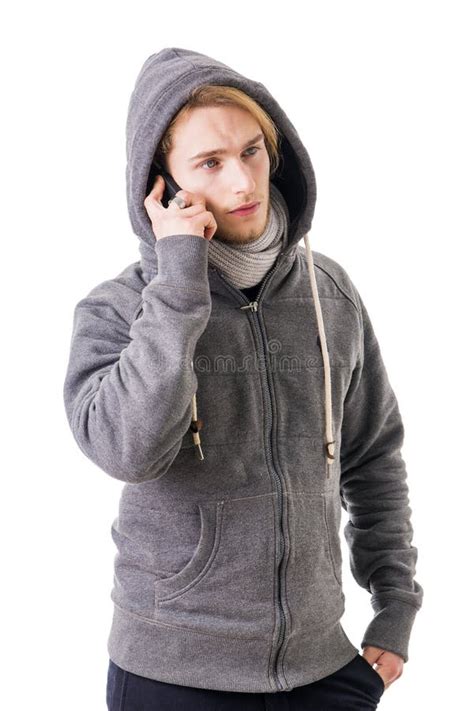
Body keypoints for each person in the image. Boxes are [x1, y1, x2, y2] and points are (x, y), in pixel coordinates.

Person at [63, 47, 424, 710]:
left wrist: (395, 606)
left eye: (252, 150)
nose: (242, 180)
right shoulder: (118, 309)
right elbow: (127, 450)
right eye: (209, 162)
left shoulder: (330, 293)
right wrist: (179, 284)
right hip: (173, 675)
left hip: (325, 669)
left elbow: (372, 455)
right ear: (160, 184)